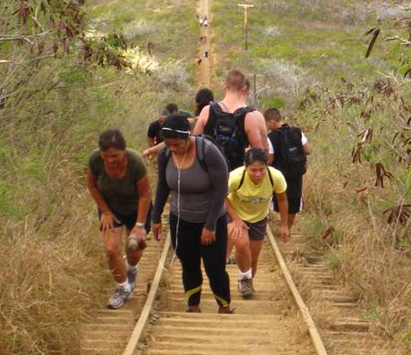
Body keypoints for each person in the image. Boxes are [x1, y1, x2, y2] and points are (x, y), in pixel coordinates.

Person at [151, 115, 233, 314]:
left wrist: (210, 225)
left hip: (210, 219)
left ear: (187, 137)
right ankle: (193, 306)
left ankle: (224, 306)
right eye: (168, 144)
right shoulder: (165, 155)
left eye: (177, 144)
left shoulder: (208, 153)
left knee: (214, 268)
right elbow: (162, 186)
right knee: (189, 265)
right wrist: (155, 217)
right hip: (181, 220)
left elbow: (221, 190)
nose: (173, 149)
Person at [87, 129, 152, 310]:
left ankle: (131, 269)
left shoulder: (135, 162)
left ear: (123, 151)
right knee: (111, 249)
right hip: (111, 208)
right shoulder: (95, 160)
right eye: (106, 155)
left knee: (134, 247)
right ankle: (122, 288)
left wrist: (140, 225)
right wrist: (105, 211)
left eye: (115, 155)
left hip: (136, 208)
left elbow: (145, 194)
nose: (111, 160)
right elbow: (92, 185)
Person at [227, 148, 289, 298]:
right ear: (245, 166)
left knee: (253, 258)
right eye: (253, 170)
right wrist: (235, 219)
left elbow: (282, 199)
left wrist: (284, 225)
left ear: (267, 166)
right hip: (235, 214)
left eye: (262, 170)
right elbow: (221, 197)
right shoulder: (235, 177)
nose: (258, 174)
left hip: (259, 218)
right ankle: (245, 278)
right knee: (242, 244)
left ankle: (246, 281)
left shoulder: (276, 177)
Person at [193, 68, 268, 170]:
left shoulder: (207, 111)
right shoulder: (249, 117)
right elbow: (258, 155)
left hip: (208, 175)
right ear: (244, 88)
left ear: (224, 86)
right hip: (235, 177)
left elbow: (194, 144)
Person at [264, 107, 311, 231]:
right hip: (296, 173)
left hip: (280, 175)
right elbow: (307, 150)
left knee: (281, 198)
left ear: (272, 121)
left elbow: (270, 159)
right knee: (294, 200)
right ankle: (288, 228)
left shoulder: (271, 137)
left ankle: (282, 225)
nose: (267, 126)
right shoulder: (297, 131)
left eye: (267, 123)